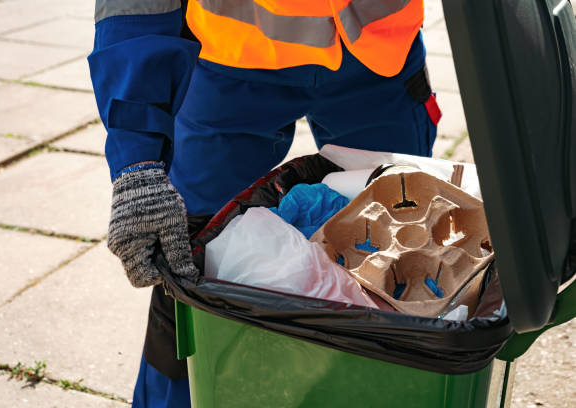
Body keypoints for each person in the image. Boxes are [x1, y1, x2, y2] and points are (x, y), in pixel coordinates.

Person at [88, 0, 441, 406]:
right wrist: (138, 159)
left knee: (414, 255)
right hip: (234, 56)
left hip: (378, 56)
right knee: (192, 268)